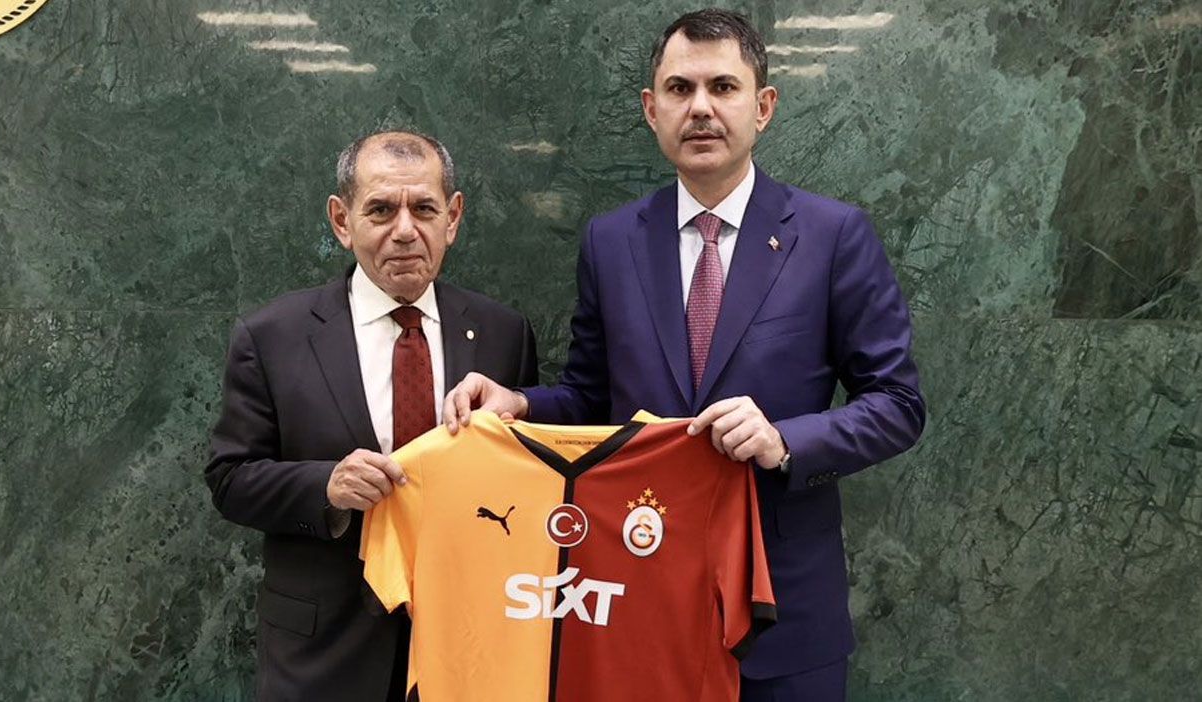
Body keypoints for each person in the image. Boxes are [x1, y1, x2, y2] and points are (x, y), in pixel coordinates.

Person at [442, 9, 925, 700]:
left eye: (723, 87)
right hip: (636, 602)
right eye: (679, 89)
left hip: (784, 616)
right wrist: (518, 402)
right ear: (651, 109)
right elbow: (591, 398)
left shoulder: (832, 235)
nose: (700, 108)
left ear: (763, 107)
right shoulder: (611, 241)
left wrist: (784, 441)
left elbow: (898, 405)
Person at [206, 129, 538, 701]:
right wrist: (326, 487)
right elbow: (230, 479)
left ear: (453, 218)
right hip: (323, 658)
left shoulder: (504, 334)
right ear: (342, 221)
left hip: (469, 650)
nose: (405, 230)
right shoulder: (272, 337)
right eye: (381, 210)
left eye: (424, 209)